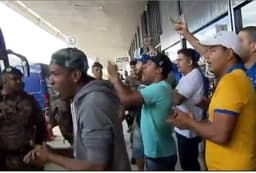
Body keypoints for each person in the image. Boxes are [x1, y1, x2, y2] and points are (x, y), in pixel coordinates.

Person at [23, 48, 131, 170]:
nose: (51, 81)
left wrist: (50, 157)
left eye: (55, 74)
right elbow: (85, 153)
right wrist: (53, 152)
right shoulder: (83, 99)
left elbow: (96, 167)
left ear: (75, 75)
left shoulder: (92, 103)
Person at [167, 31, 256, 170]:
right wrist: (194, 122)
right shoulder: (233, 79)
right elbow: (218, 124)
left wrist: (189, 123)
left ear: (229, 54)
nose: (207, 56)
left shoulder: (232, 82)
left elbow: (220, 134)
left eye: (212, 51)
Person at [108, 52, 177, 171]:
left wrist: (114, 77)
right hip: (160, 152)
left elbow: (126, 99)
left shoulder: (159, 88)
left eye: (148, 65)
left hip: (160, 154)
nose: (144, 67)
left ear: (159, 70)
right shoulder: (158, 87)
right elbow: (130, 94)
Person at [172, 17, 256, 89]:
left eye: (240, 41)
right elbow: (207, 52)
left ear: (253, 46)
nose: (236, 43)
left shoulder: (241, 75)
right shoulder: (240, 70)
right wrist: (186, 33)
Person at [0, 66, 47, 170]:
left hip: (26, 155)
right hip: (4, 157)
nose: (19, 82)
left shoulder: (29, 100)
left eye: (20, 79)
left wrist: (39, 144)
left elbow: (40, 123)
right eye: (15, 79)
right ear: (4, 81)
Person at [174, 48, 205, 170]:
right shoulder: (186, 76)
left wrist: (169, 89)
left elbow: (177, 99)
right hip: (184, 128)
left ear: (190, 62)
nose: (177, 63)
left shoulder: (193, 76)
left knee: (189, 165)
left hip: (189, 132)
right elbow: (176, 94)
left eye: (180, 60)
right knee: (187, 163)